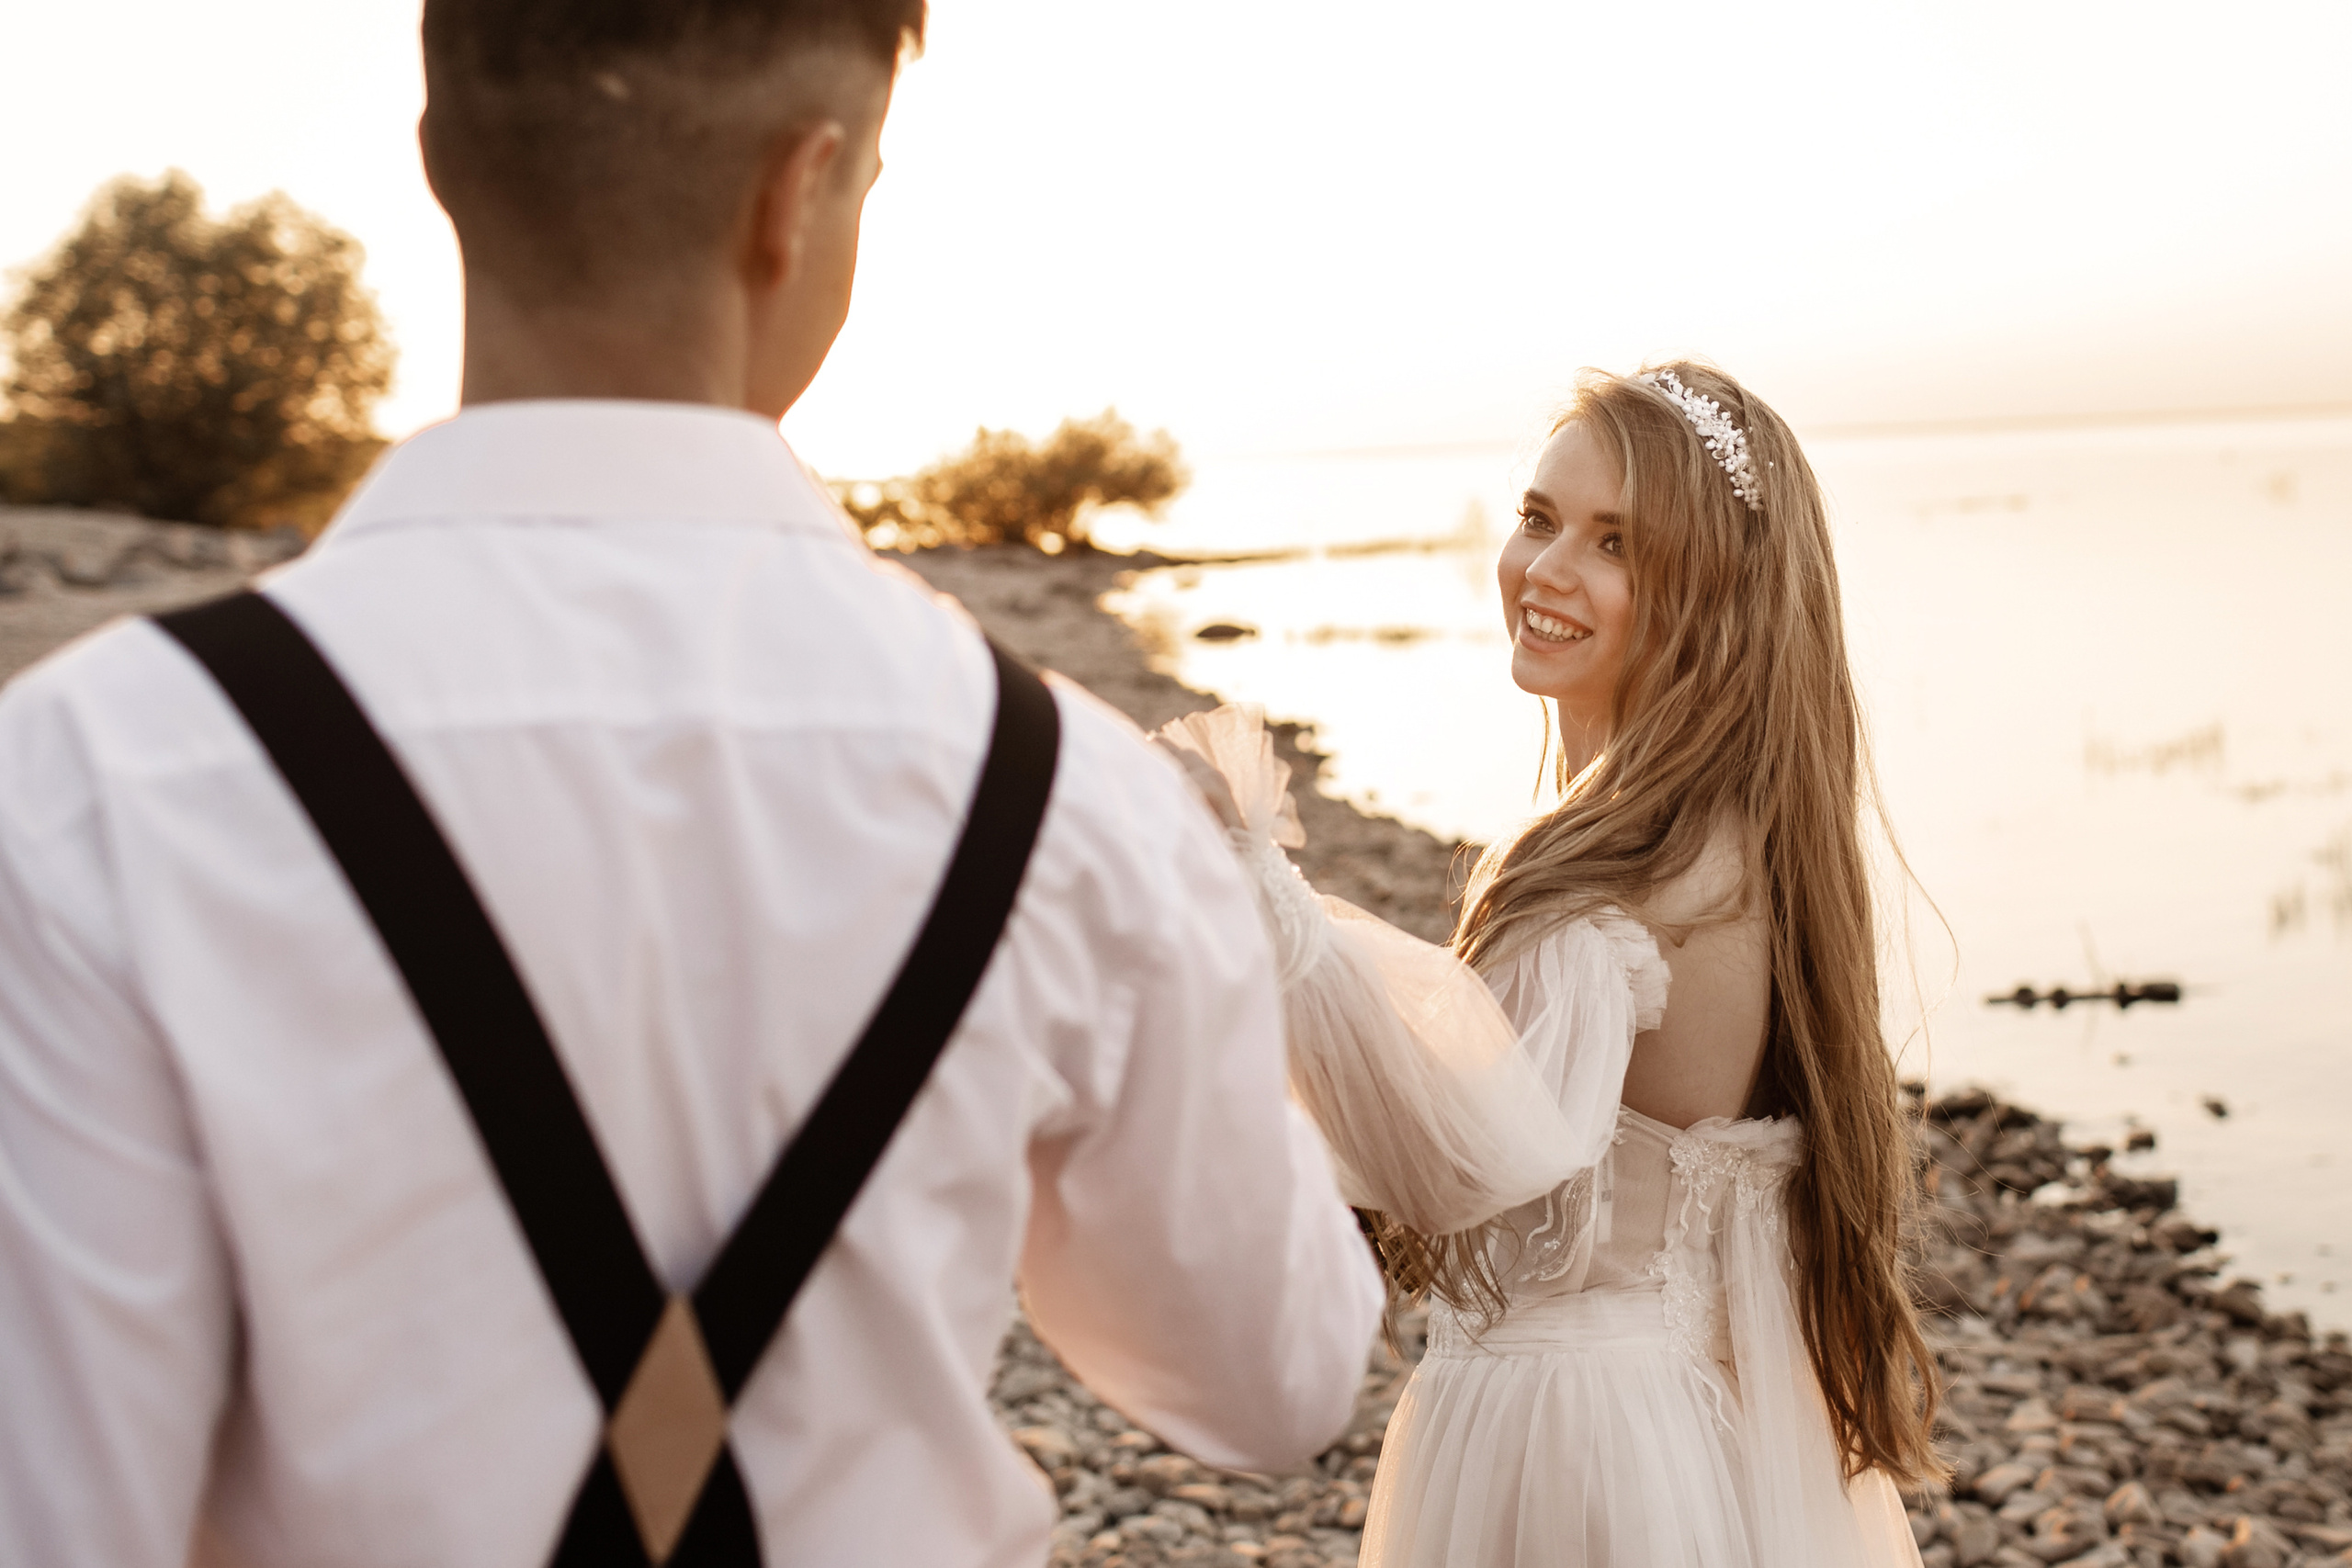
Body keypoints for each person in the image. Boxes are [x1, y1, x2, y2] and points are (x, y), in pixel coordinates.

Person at [0, 4, 1385, 1564]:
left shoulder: (89, 779)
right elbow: (1272, 1382)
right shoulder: (1071, 799)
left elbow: (52, 1506)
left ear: (441, 164)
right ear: (800, 196)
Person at [1159, 362, 1939, 1567]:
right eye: (1539, 518)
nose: (1545, 570)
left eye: (1616, 543)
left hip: (1575, 1448)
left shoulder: (1624, 870)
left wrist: (1259, 890)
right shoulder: (1747, 833)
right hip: (1685, 1425)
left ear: (1712, 594)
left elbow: (1465, 1158)